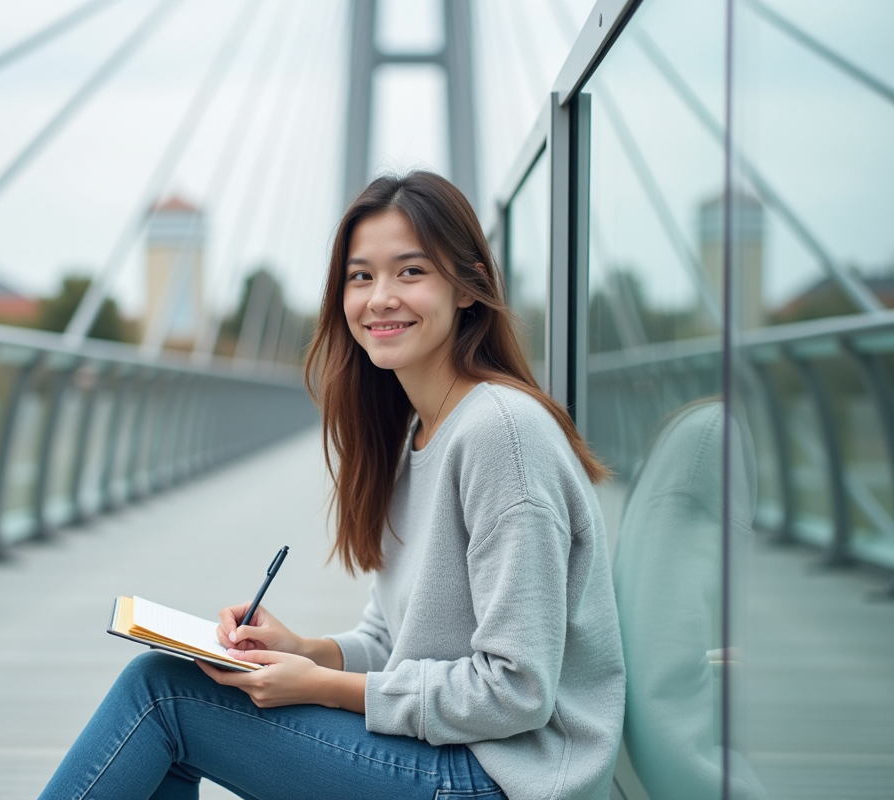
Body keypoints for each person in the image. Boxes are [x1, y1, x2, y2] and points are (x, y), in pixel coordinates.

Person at [38, 172, 625, 800]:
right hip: (455, 756)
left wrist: (319, 687)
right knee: (180, 691)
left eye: (411, 272)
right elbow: (390, 642)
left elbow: (516, 691)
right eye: (361, 276)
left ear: (469, 287)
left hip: (502, 778)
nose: (380, 298)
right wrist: (305, 651)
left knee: (162, 696)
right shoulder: (418, 434)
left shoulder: (500, 435)